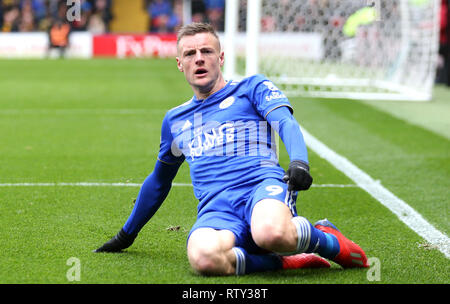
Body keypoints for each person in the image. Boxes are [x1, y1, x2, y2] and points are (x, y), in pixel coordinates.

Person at [94, 22, 368, 275]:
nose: (198, 58)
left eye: (206, 51)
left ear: (221, 58)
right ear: (180, 64)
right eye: (189, 54)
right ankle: (286, 261)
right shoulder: (175, 121)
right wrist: (126, 235)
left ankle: (329, 241)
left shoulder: (251, 88)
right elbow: (159, 181)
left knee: (270, 233)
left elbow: (285, 122)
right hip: (217, 209)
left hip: (261, 188)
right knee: (204, 259)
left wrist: (299, 162)